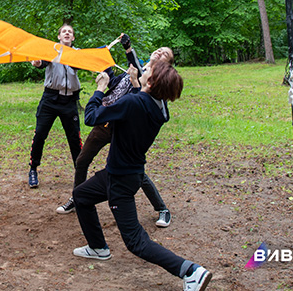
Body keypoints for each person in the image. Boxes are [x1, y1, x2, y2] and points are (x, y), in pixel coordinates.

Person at [71, 61, 212, 291]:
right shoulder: (160, 108)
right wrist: (136, 82)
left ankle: (190, 271)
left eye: (147, 70)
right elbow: (140, 98)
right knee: (81, 195)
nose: (143, 69)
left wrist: (100, 88)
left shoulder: (132, 103)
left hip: (120, 180)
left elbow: (91, 117)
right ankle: (98, 247)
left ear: (151, 83)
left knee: (135, 241)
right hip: (127, 173)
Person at [56, 37, 173, 230]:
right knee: (82, 160)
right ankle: (77, 197)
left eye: (165, 53)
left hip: (125, 129)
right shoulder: (136, 70)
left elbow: (154, 110)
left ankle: (162, 208)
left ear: (168, 65)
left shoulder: (157, 82)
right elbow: (115, 84)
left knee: (134, 172)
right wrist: (103, 61)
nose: (160, 52)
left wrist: (131, 61)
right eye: (159, 49)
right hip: (105, 122)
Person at [28, 23, 82, 188]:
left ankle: (80, 173)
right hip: (50, 100)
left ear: (73, 37)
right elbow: (42, 62)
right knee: (40, 134)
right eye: (64, 31)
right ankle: (33, 169)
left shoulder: (78, 53)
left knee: (74, 138)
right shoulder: (51, 50)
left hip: (69, 101)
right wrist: (37, 62)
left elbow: (79, 64)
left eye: (70, 32)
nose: (67, 33)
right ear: (59, 36)